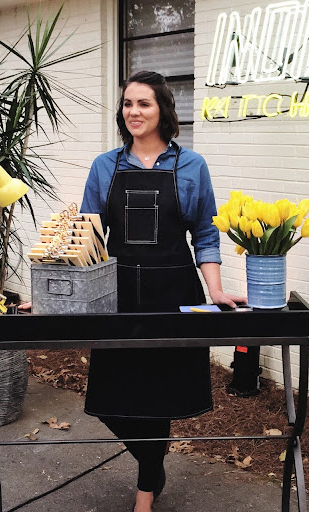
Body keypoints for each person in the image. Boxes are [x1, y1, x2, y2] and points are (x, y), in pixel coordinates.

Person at [80, 70, 246, 512]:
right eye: (127, 104)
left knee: (160, 398)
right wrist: (62, 293)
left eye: (143, 104)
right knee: (111, 400)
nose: (133, 112)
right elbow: (88, 239)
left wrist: (215, 291)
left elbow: (205, 235)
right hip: (119, 296)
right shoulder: (104, 166)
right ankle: (154, 468)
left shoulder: (192, 166)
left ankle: (144, 494)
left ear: (163, 110)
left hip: (174, 293)